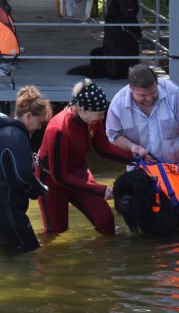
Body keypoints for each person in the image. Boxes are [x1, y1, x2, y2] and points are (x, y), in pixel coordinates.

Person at [36, 79, 134, 235]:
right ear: (83, 110)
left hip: (78, 172)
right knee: (56, 230)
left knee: (106, 221)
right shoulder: (59, 130)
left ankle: (101, 258)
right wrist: (99, 189)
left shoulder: (92, 121)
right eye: (99, 114)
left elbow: (104, 149)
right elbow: (60, 177)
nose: (102, 117)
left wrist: (136, 160)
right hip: (51, 180)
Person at [0, 86, 53, 254]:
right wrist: (42, 189)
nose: (40, 128)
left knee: (10, 253)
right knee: (30, 254)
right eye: (40, 122)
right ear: (29, 116)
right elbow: (24, 176)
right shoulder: (16, 135)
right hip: (2, 207)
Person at [106, 64, 179, 169]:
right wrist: (133, 147)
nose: (149, 99)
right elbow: (114, 136)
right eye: (142, 95)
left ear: (157, 83)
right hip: (141, 169)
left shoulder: (174, 93)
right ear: (131, 90)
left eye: (153, 92)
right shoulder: (117, 104)